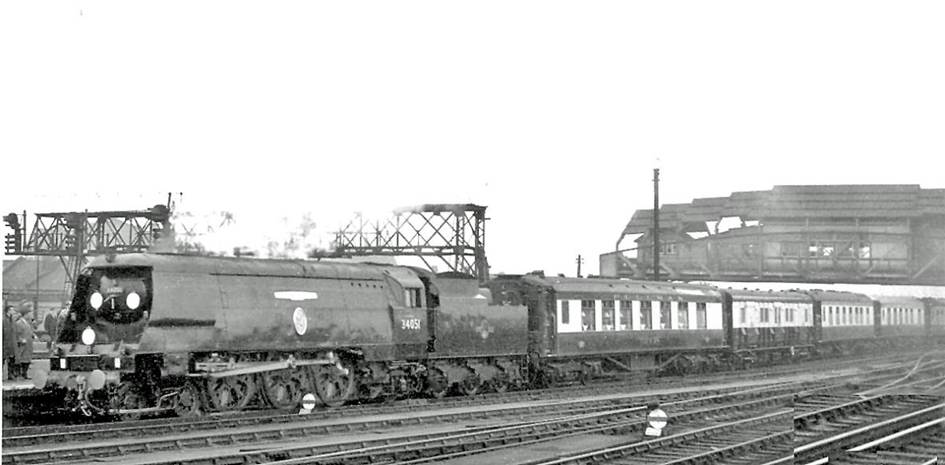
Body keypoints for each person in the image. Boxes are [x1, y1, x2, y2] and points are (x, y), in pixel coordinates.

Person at [14, 303, 35, 380]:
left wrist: (33, 335)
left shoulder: (28, 323)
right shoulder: (19, 323)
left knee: (27, 360)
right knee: (22, 360)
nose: (30, 315)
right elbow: (17, 334)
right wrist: (21, 340)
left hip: (28, 345)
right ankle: (20, 374)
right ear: (25, 314)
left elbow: (29, 331)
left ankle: (25, 374)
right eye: (29, 313)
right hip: (23, 345)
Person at [3, 305, 16, 381]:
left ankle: (10, 375)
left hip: (11, 344)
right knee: (3, 360)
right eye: (12, 310)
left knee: (11, 360)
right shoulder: (4, 320)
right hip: (5, 344)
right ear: (8, 311)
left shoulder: (12, 320)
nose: (13, 311)